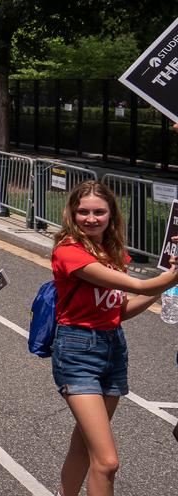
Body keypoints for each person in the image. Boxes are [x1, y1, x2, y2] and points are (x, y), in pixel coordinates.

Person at [51, 181, 178, 496]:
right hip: (78, 350)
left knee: (84, 444)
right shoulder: (68, 252)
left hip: (112, 347)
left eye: (99, 212)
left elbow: (119, 310)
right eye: (83, 212)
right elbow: (140, 286)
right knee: (107, 462)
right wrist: (170, 276)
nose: (91, 218)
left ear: (111, 214)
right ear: (71, 213)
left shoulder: (112, 252)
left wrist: (164, 285)